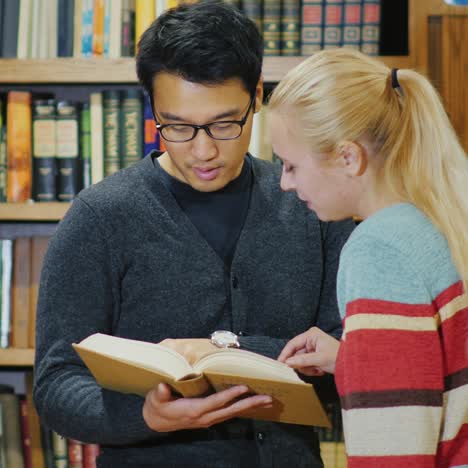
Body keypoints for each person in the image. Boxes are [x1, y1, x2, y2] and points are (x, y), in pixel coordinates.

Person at [33, 3, 355, 467]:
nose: (204, 151)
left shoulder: (312, 203)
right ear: (153, 109)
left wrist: (232, 350)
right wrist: (145, 414)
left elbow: (351, 352)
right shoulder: (99, 217)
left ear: (257, 96)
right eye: (178, 127)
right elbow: (56, 383)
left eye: (225, 124)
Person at [268, 48, 468, 467]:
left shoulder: (378, 248)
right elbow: (443, 380)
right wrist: (353, 358)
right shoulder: (438, 216)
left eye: (290, 165)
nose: (284, 184)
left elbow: (396, 447)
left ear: (348, 157)